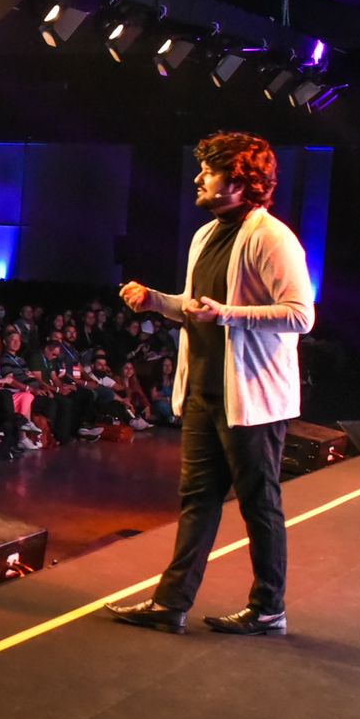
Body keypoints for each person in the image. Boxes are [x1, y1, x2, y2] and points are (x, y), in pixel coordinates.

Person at [108, 132, 314, 637]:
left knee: (258, 502)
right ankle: (170, 604)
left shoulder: (271, 237)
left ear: (240, 182)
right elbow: (197, 308)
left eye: (209, 171)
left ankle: (269, 608)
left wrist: (230, 315)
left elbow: (300, 316)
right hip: (204, 391)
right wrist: (157, 301)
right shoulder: (205, 235)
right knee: (197, 500)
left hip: (253, 400)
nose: (198, 178)